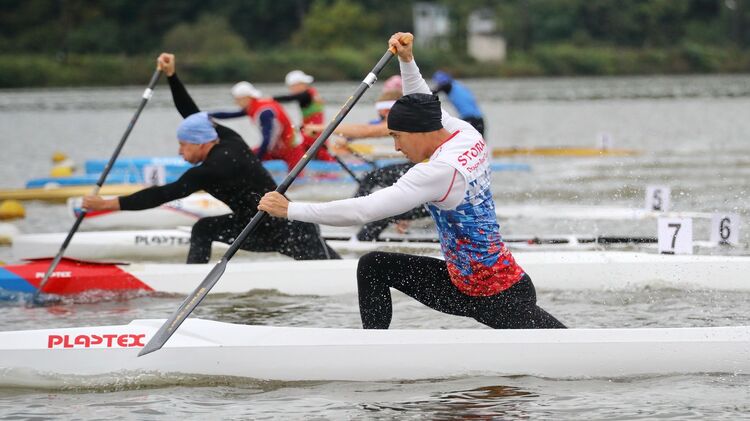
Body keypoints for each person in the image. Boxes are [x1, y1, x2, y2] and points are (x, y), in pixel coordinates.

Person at [259, 33, 564, 330]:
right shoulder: (464, 133)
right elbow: (423, 102)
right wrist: (407, 60)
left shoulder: (438, 171)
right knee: (374, 265)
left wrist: (291, 210)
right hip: (461, 285)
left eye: (397, 137)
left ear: (419, 132)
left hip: (497, 296)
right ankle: (374, 349)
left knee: (563, 345)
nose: (396, 148)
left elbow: (364, 210)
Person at [83, 53, 339, 264]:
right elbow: (192, 115)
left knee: (334, 270)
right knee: (204, 229)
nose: (180, 152)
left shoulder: (209, 170)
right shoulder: (228, 138)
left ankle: (192, 280)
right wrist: (172, 76)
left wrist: (107, 204)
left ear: (201, 142)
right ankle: (192, 280)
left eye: (183, 145)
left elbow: (161, 194)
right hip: (253, 227)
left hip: (290, 229)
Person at [304, 90, 430, 241]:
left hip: (431, 178)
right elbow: (370, 128)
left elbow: (367, 130)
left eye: (382, 116)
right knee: (376, 185)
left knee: (376, 190)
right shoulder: (409, 119)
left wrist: (322, 128)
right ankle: (360, 220)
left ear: (388, 111)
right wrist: (347, 139)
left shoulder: (408, 120)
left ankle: (354, 223)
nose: (381, 119)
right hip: (426, 177)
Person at [209, 81, 304, 169]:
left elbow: (266, 141)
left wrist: (256, 160)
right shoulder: (253, 106)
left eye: (237, 99)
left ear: (247, 98)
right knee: (244, 156)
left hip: (291, 149)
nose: (236, 103)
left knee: (297, 180)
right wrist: (207, 115)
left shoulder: (264, 112)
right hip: (275, 149)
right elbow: (230, 114)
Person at [273, 70, 335, 162]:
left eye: (292, 87)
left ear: (298, 85)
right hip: (318, 133)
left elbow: (289, 98)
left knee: (293, 148)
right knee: (322, 155)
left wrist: (271, 99)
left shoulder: (306, 95)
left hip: (311, 134)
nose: (291, 90)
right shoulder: (312, 93)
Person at [432, 70, 485, 136]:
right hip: (479, 119)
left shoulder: (447, 86)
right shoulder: (456, 84)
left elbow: (433, 92)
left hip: (470, 119)